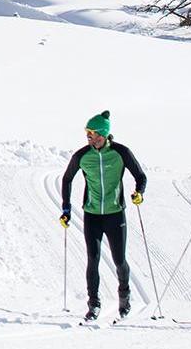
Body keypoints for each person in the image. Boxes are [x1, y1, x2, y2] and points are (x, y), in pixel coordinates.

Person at [59, 110, 148, 322]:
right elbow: (67, 179)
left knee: (119, 260)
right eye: (86, 133)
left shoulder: (121, 152)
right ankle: (93, 304)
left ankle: (124, 297)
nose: (88, 137)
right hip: (92, 216)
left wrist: (138, 193)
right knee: (93, 258)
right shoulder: (82, 156)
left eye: (91, 133)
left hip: (115, 214)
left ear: (103, 134)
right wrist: (66, 208)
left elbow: (141, 176)